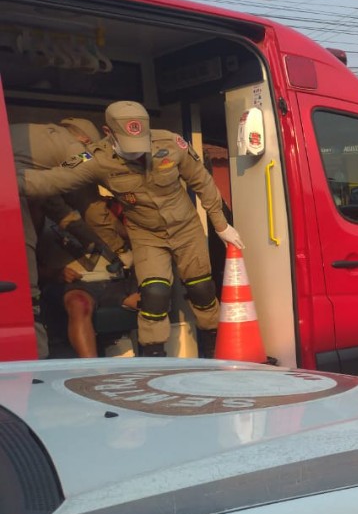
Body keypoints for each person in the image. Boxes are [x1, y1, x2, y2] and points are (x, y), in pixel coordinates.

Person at [17, 101, 243, 358]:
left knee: (201, 289)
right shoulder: (94, 158)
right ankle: (153, 356)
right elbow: (52, 179)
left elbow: (202, 181)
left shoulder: (171, 143)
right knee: (154, 295)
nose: (137, 154)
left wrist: (221, 225)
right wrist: (11, 181)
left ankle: (216, 347)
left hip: (186, 228)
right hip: (147, 235)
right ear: (108, 132)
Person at [10, 118, 119, 358]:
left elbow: (57, 208)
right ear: (85, 140)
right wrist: (18, 185)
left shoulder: (28, 138)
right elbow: (77, 172)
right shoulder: (79, 151)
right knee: (26, 292)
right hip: (10, 198)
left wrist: (94, 243)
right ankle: (36, 357)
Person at [36, 214, 138, 358]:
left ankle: (155, 364)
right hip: (71, 284)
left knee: (151, 299)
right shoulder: (38, 213)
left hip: (116, 281)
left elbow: (136, 244)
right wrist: (54, 273)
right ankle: (91, 369)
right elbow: (25, 266)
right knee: (79, 304)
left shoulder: (100, 209)